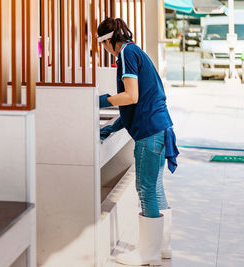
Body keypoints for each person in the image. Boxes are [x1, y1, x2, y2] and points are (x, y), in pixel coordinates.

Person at [97, 18, 179, 266]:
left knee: (145, 190)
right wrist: (112, 126)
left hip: (150, 133)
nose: (103, 50)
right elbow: (140, 102)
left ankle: (148, 255)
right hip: (160, 128)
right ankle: (162, 249)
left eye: (102, 44)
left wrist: (101, 100)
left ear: (108, 40)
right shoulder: (137, 51)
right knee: (156, 187)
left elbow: (131, 96)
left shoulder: (126, 53)